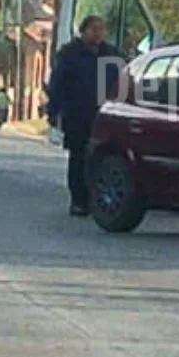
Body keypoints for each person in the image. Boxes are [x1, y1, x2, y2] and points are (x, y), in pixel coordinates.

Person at [46, 15, 123, 217]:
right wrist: (54, 110)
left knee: (100, 158)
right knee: (78, 157)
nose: (98, 33)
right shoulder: (70, 54)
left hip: (104, 116)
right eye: (93, 29)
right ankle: (78, 200)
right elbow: (57, 84)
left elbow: (123, 80)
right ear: (83, 31)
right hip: (77, 114)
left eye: (101, 29)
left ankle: (96, 198)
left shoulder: (112, 55)